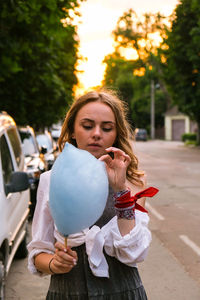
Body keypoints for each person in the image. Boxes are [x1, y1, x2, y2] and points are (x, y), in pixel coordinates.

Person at [28, 89, 158, 299]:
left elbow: (134, 252)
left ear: (116, 134)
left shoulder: (132, 182)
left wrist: (120, 191)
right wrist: (54, 263)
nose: (97, 133)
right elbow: (38, 252)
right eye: (87, 126)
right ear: (72, 130)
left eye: (107, 128)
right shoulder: (51, 180)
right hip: (66, 293)